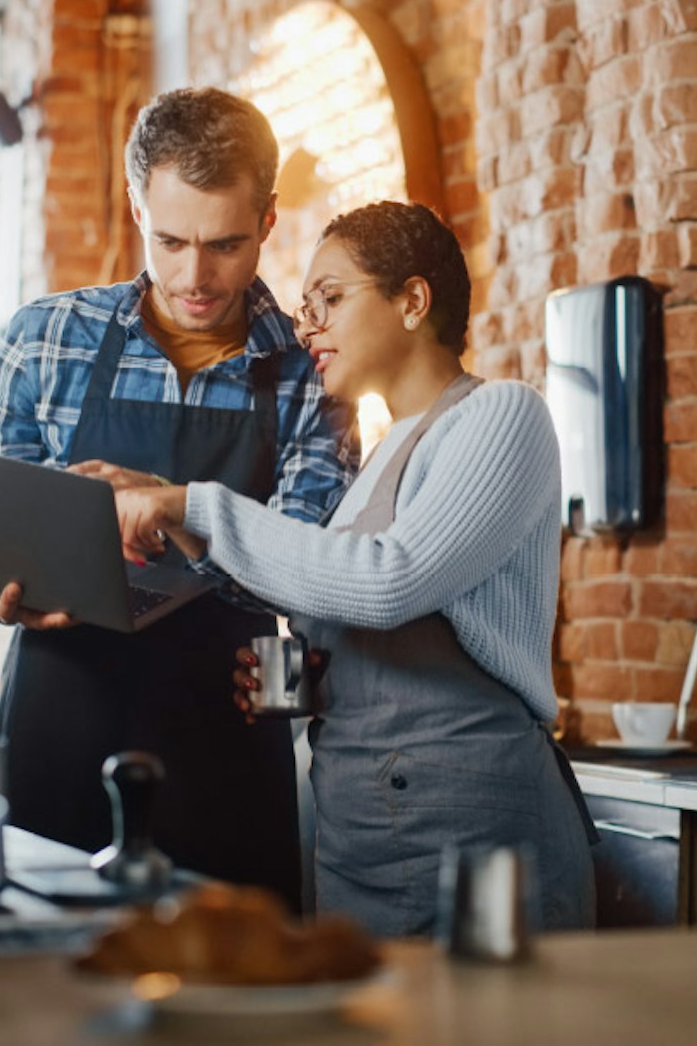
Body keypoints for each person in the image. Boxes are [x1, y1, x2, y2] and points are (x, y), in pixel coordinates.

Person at [113, 201, 598, 938]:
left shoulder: (504, 416)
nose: (308, 326)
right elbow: (377, 622)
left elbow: (389, 580)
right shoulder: (378, 460)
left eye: (329, 300)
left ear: (412, 300)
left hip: (473, 838)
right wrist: (305, 682)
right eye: (306, 307)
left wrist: (195, 506)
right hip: (364, 839)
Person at [0, 87, 358, 910]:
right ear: (136, 206)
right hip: (58, 721)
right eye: (170, 240)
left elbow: (313, 568)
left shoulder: (316, 372)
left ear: (268, 220)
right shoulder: (41, 340)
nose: (195, 275)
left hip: (224, 737)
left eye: (226, 244)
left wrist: (175, 508)